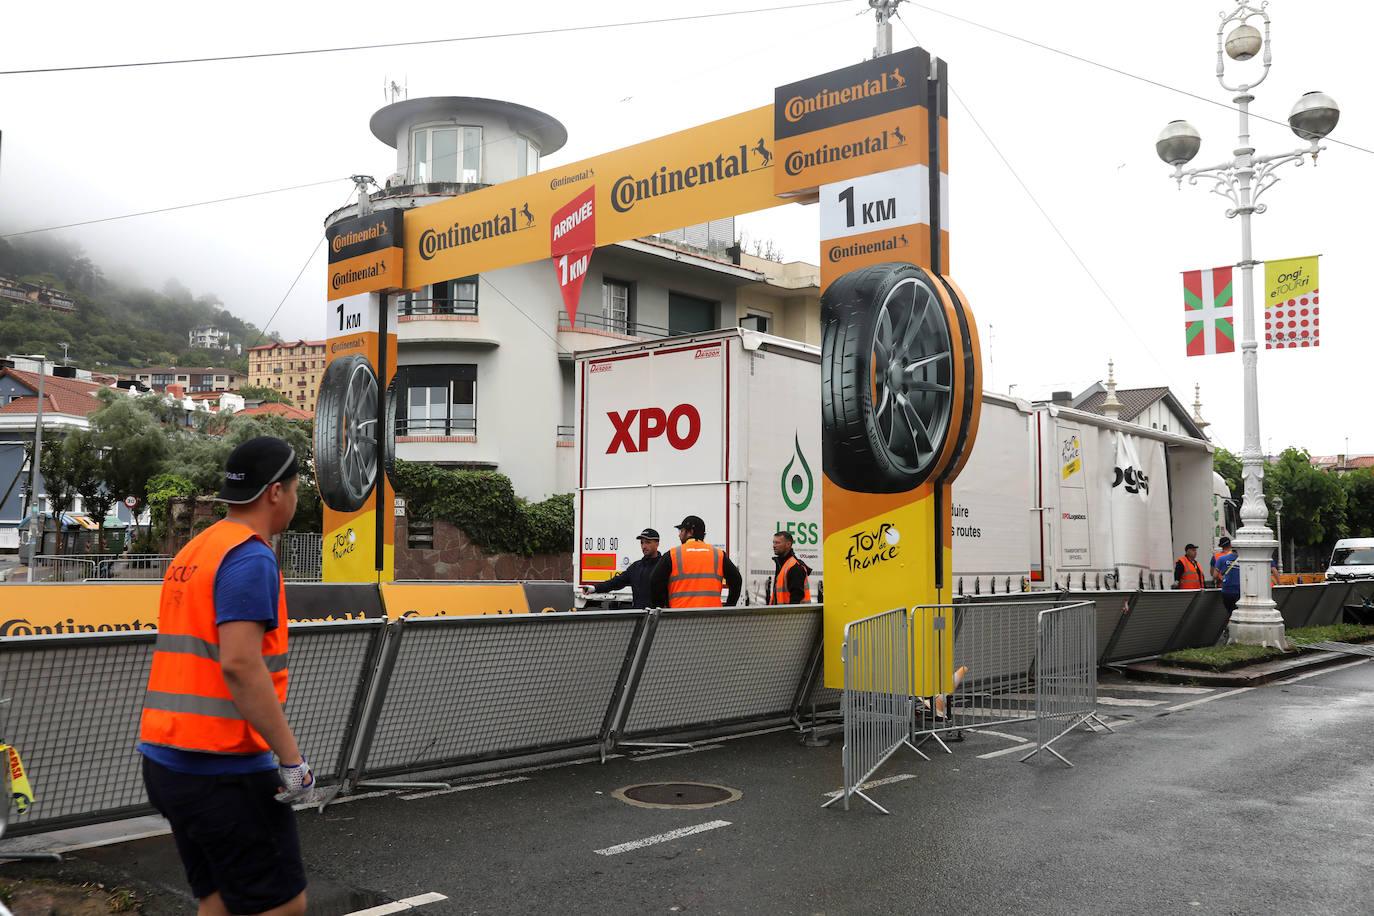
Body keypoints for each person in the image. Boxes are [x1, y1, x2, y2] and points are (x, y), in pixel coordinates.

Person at [137, 437, 314, 916]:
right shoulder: (251, 557)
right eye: (296, 488)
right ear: (276, 492)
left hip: (167, 760)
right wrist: (292, 759)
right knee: (282, 904)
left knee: (219, 898)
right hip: (223, 768)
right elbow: (240, 664)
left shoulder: (199, 548)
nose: (296, 500)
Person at [649, 515, 742, 608]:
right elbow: (737, 580)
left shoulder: (673, 554)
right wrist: (729, 606)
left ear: (690, 532)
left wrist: (661, 607)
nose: (679, 535)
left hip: (680, 617)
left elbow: (655, 581)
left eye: (681, 531)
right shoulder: (718, 554)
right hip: (712, 617)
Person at [580, 528, 661, 609]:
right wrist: (594, 588)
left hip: (660, 618)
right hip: (640, 617)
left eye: (648, 542)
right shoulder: (636, 567)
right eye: (642, 543)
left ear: (657, 544)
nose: (644, 546)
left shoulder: (663, 565)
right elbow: (616, 582)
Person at [769, 531, 812, 604]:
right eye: (774, 542)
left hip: (792, 614)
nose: (774, 545)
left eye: (778, 543)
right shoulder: (782, 564)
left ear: (788, 544)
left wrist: (789, 614)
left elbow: (796, 598)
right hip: (782, 613)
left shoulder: (795, 567)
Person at [1217, 543, 1242, 612]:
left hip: (1227, 590)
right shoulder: (1244, 560)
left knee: (1230, 611)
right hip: (1241, 591)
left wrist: (1221, 578)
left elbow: (1214, 574)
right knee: (1239, 611)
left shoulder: (1222, 558)